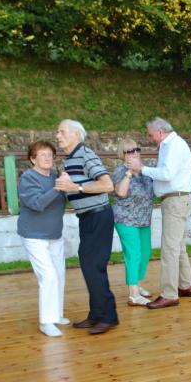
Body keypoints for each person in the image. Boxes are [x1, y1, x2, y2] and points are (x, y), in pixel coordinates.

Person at [54, 119, 118, 335]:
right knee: (90, 265)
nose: (58, 136)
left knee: (93, 266)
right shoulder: (70, 159)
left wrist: (76, 186)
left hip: (99, 216)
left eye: (62, 132)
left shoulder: (85, 154)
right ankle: (98, 314)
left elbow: (107, 184)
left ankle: (107, 317)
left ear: (75, 135)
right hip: (88, 218)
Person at [125, 117, 191, 309]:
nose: (150, 138)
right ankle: (186, 285)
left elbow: (167, 174)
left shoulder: (173, 146)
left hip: (175, 200)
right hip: (178, 198)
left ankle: (169, 294)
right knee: (178, 245)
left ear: (160, 131)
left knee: (169, 248)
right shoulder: (170, 144)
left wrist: (142, 168)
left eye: (150, 134)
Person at [17, 141, 69, 337]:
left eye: (50, 154)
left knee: (59, 275)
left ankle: (56, 315)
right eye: (42, 155)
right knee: (48, 276)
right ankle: (46, 322)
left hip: (55, 234)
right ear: (33, 159)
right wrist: (58, 187)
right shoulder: (28, 178)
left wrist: (69, 186)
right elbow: (37, 203)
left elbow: (66, 199)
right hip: (33, 235)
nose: (47, 158)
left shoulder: (56, 178)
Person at [112, 139, 155, 306]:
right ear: (123, 154)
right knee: (134, 254)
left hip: (144, 219)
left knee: (145, 253)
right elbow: (121, 192)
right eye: (130, 151)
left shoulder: (145, 170)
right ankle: (133, 294)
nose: (135, 153)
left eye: (137, 149)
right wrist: (129, 172)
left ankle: (137, 284)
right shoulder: (120, 171)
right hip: (126, 219)